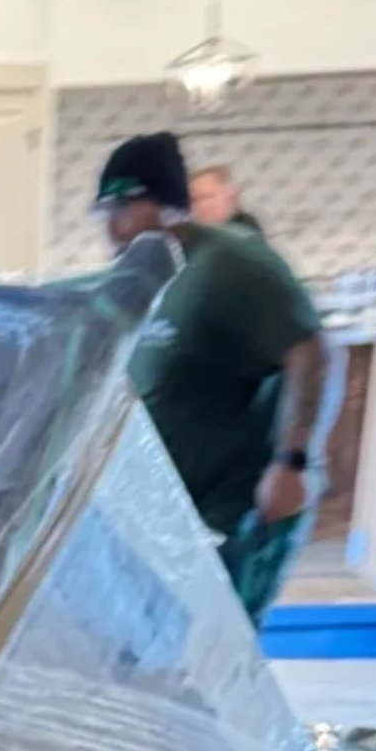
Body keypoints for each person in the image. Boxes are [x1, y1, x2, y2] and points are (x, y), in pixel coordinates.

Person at [97, 133, 329, 625]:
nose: (111, 228)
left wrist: (291, 462)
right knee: (162, 649)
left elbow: (311, 350)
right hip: (172, 510)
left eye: (122, 208)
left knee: (216, 648)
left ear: (163, 205)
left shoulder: (232, 265)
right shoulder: (149, 275)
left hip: (231, 512)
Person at [189, 162, 264, 235]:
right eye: (195, 200)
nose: (201, 205)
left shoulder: (245, 229)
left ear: (230, 195)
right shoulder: (192, 235)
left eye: (207, 197)